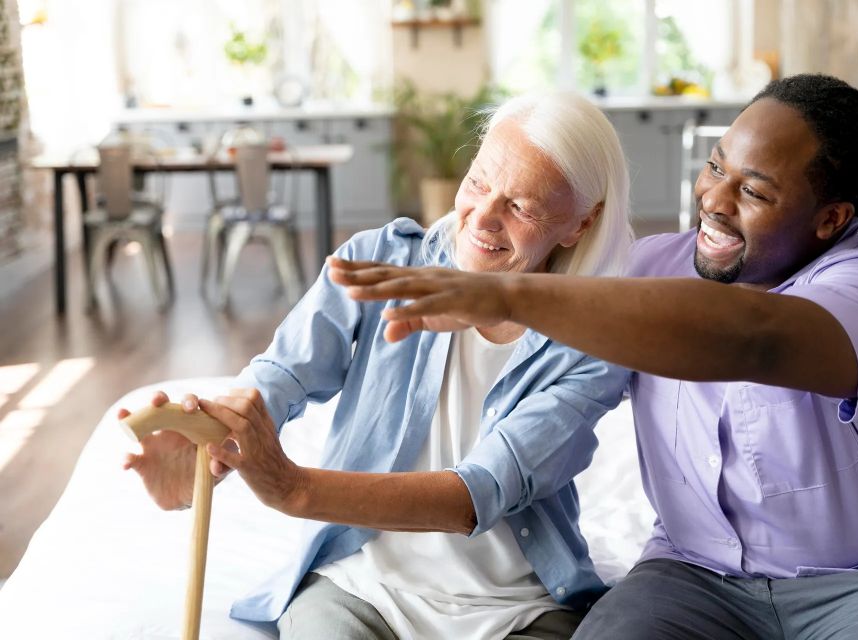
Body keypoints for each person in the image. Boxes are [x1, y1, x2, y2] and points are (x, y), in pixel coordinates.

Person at [328, 74, 858, 639]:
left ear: (831, 219)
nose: (714, 199)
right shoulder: (644, 269)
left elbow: (752, 336)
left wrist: (509, 293)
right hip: (692, 577)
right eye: (716, 168)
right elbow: (545, 362)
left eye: (755, 192)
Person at [120, 91, 634, 640]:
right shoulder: (381, 261)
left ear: (581, 223)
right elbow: (284, 373)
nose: (482, 218)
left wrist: (294, 488)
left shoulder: (594, 341)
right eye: (480, 183)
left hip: (518, 606)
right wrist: (210, 435)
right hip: (359, 584)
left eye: (522, 207)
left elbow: (479, 492)